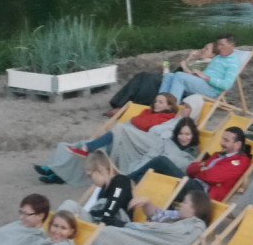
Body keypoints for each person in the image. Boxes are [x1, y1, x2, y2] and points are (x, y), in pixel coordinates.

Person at [36, 95, 203, 186]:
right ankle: (57, 172)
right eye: (184, 105)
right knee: (103, 148)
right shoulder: (172, 121)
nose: (184, 109)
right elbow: (146, 125)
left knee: (118, 131)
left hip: (150, 145)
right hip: (145, 141)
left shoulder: (183, 124)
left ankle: (80, 152)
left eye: (188, 107)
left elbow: (163, 137)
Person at [78, 190, 212, 245]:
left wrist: (157, 226)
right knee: (106, 227)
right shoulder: (179, 218)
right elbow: (157, 214)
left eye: (185, 202)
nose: (181, 205)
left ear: (195, 208)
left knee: (106, 234)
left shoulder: (196, 226)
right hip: (139, 234)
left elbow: (175, 243)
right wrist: (147, 203)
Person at [135, 127, 253, 202]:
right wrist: (203, 168)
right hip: (192, 183)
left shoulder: (239, 162)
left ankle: (129, 179)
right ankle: (132, 187)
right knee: (156, 177)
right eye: (223, 139)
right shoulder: (218, 155)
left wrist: (202, 169)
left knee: (162, 161)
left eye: (226, 141)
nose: (222, 143)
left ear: (237, 144)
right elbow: (190, 169)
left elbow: (211, 177)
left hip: (201, 193)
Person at [104, 42, 216, 114]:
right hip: (171, 79)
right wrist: (189, 58)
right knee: (142, 75)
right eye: (204, 47)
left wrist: (184, 66)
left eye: (206, 49)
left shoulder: (209, 65)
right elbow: (178, 71)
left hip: (179, 88)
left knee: (148, 81)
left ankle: (127, 108)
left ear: (213, 54)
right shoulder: (198, 61)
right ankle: (119, 104)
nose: (202, 49)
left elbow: (191, 78)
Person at [56, 150, 133, 227]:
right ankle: (51, 231)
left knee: (103, 202)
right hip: (99, 223)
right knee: (70, 204)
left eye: (90, 176)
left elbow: (112, 208)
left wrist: (101, 219)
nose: (90, 181)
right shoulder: (102, 189)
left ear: (100, 170)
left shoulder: (121, 181)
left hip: (116, 225)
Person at [158, 34, 240, 100]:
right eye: (218, 44)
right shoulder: (218, 57)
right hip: (201, 83)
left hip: (211, 90)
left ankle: (171, 108)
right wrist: (196, 74)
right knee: (169, 76)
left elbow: (227, 85)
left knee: (180, 76)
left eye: (222, 45)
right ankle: (161, 102)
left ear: (231, 45)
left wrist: (206, 77)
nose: (219, 47)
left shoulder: (233, 63)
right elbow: (204, 64)